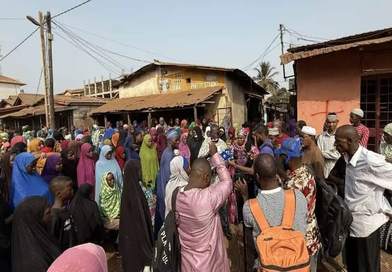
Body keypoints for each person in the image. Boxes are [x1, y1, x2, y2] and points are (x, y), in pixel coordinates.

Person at [335, 125, 392, 272]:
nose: (335, 145)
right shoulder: (346, 159)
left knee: (367, 267)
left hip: (367, 228)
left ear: (350, 140)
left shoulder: (369, 161)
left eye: (338, 142)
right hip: (352, 225)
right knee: (353, 265)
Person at [241, 154, 307, 270]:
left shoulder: (249, 207)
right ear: (276, 173)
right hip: (298, 265)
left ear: (257, 176)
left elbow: (250, 245)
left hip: (268, 266)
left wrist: (245, 196)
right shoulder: (298, 196)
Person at [175, 143, 231, 271]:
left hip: (187, 264)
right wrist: (215, 156)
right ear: (206, 177)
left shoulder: (176, 196)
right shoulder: (209, 198)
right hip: (210, 264)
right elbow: (227, 182)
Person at [280, 139, 322, 271]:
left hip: (299, 239)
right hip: (312, 233)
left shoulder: (292, 185)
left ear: (287, 158)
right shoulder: (307, 171)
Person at [119, 160, 154, 272]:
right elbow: (141, 223)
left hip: (130, 241)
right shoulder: (134, 194)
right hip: (137, 242)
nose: (140, 173)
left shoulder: (129, 190)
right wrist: (147, 250)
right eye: (138, 170)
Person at [11, 196, 61, 272]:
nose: (52, 215)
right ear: (34, 219)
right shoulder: (34, 261)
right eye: (48, 213)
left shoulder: (41, 238)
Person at [155, 129, 180, 234]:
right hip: (165, 189)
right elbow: (167, 176)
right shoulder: (169, 154)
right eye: (176, 140)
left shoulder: (168, 152)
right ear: (170, 140)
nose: (178, 142)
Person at [49, 176, 75, 250]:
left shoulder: (67, 209)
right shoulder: (54, 216)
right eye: (69, 190)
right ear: (59, 194)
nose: (72, 191)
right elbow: (53, 240)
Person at [317, 113, 341, 178]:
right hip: (324, 169)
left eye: (333, 122)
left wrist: (323, 153)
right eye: (329, 122)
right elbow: (319, 154)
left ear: (337, 122)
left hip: (338, 169)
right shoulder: (321, 137)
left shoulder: (340, 136)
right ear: (326, 123)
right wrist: (331, 153)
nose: (331, 125)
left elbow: (338, 155)